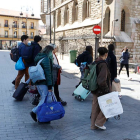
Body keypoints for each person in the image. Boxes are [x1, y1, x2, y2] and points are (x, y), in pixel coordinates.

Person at [30, 44, 54, 122]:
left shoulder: (39, 57)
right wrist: (50, 87)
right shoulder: (46, 59)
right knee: (46, 99)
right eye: (52, 52)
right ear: (49, 52)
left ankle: (43, 117)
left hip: (38, 81)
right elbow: (48, 73)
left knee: (45, 99)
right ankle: (34, 112)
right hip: (44, 82)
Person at [91, 47, 111, 130]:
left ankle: (93, 126)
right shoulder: (103, 64)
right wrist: (106, 90)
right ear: (106, 54)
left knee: (95, 107)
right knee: (108, 105)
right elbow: (102, 80)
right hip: (101, 89)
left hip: (95, 89)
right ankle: (99, 122)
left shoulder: (96, 61)